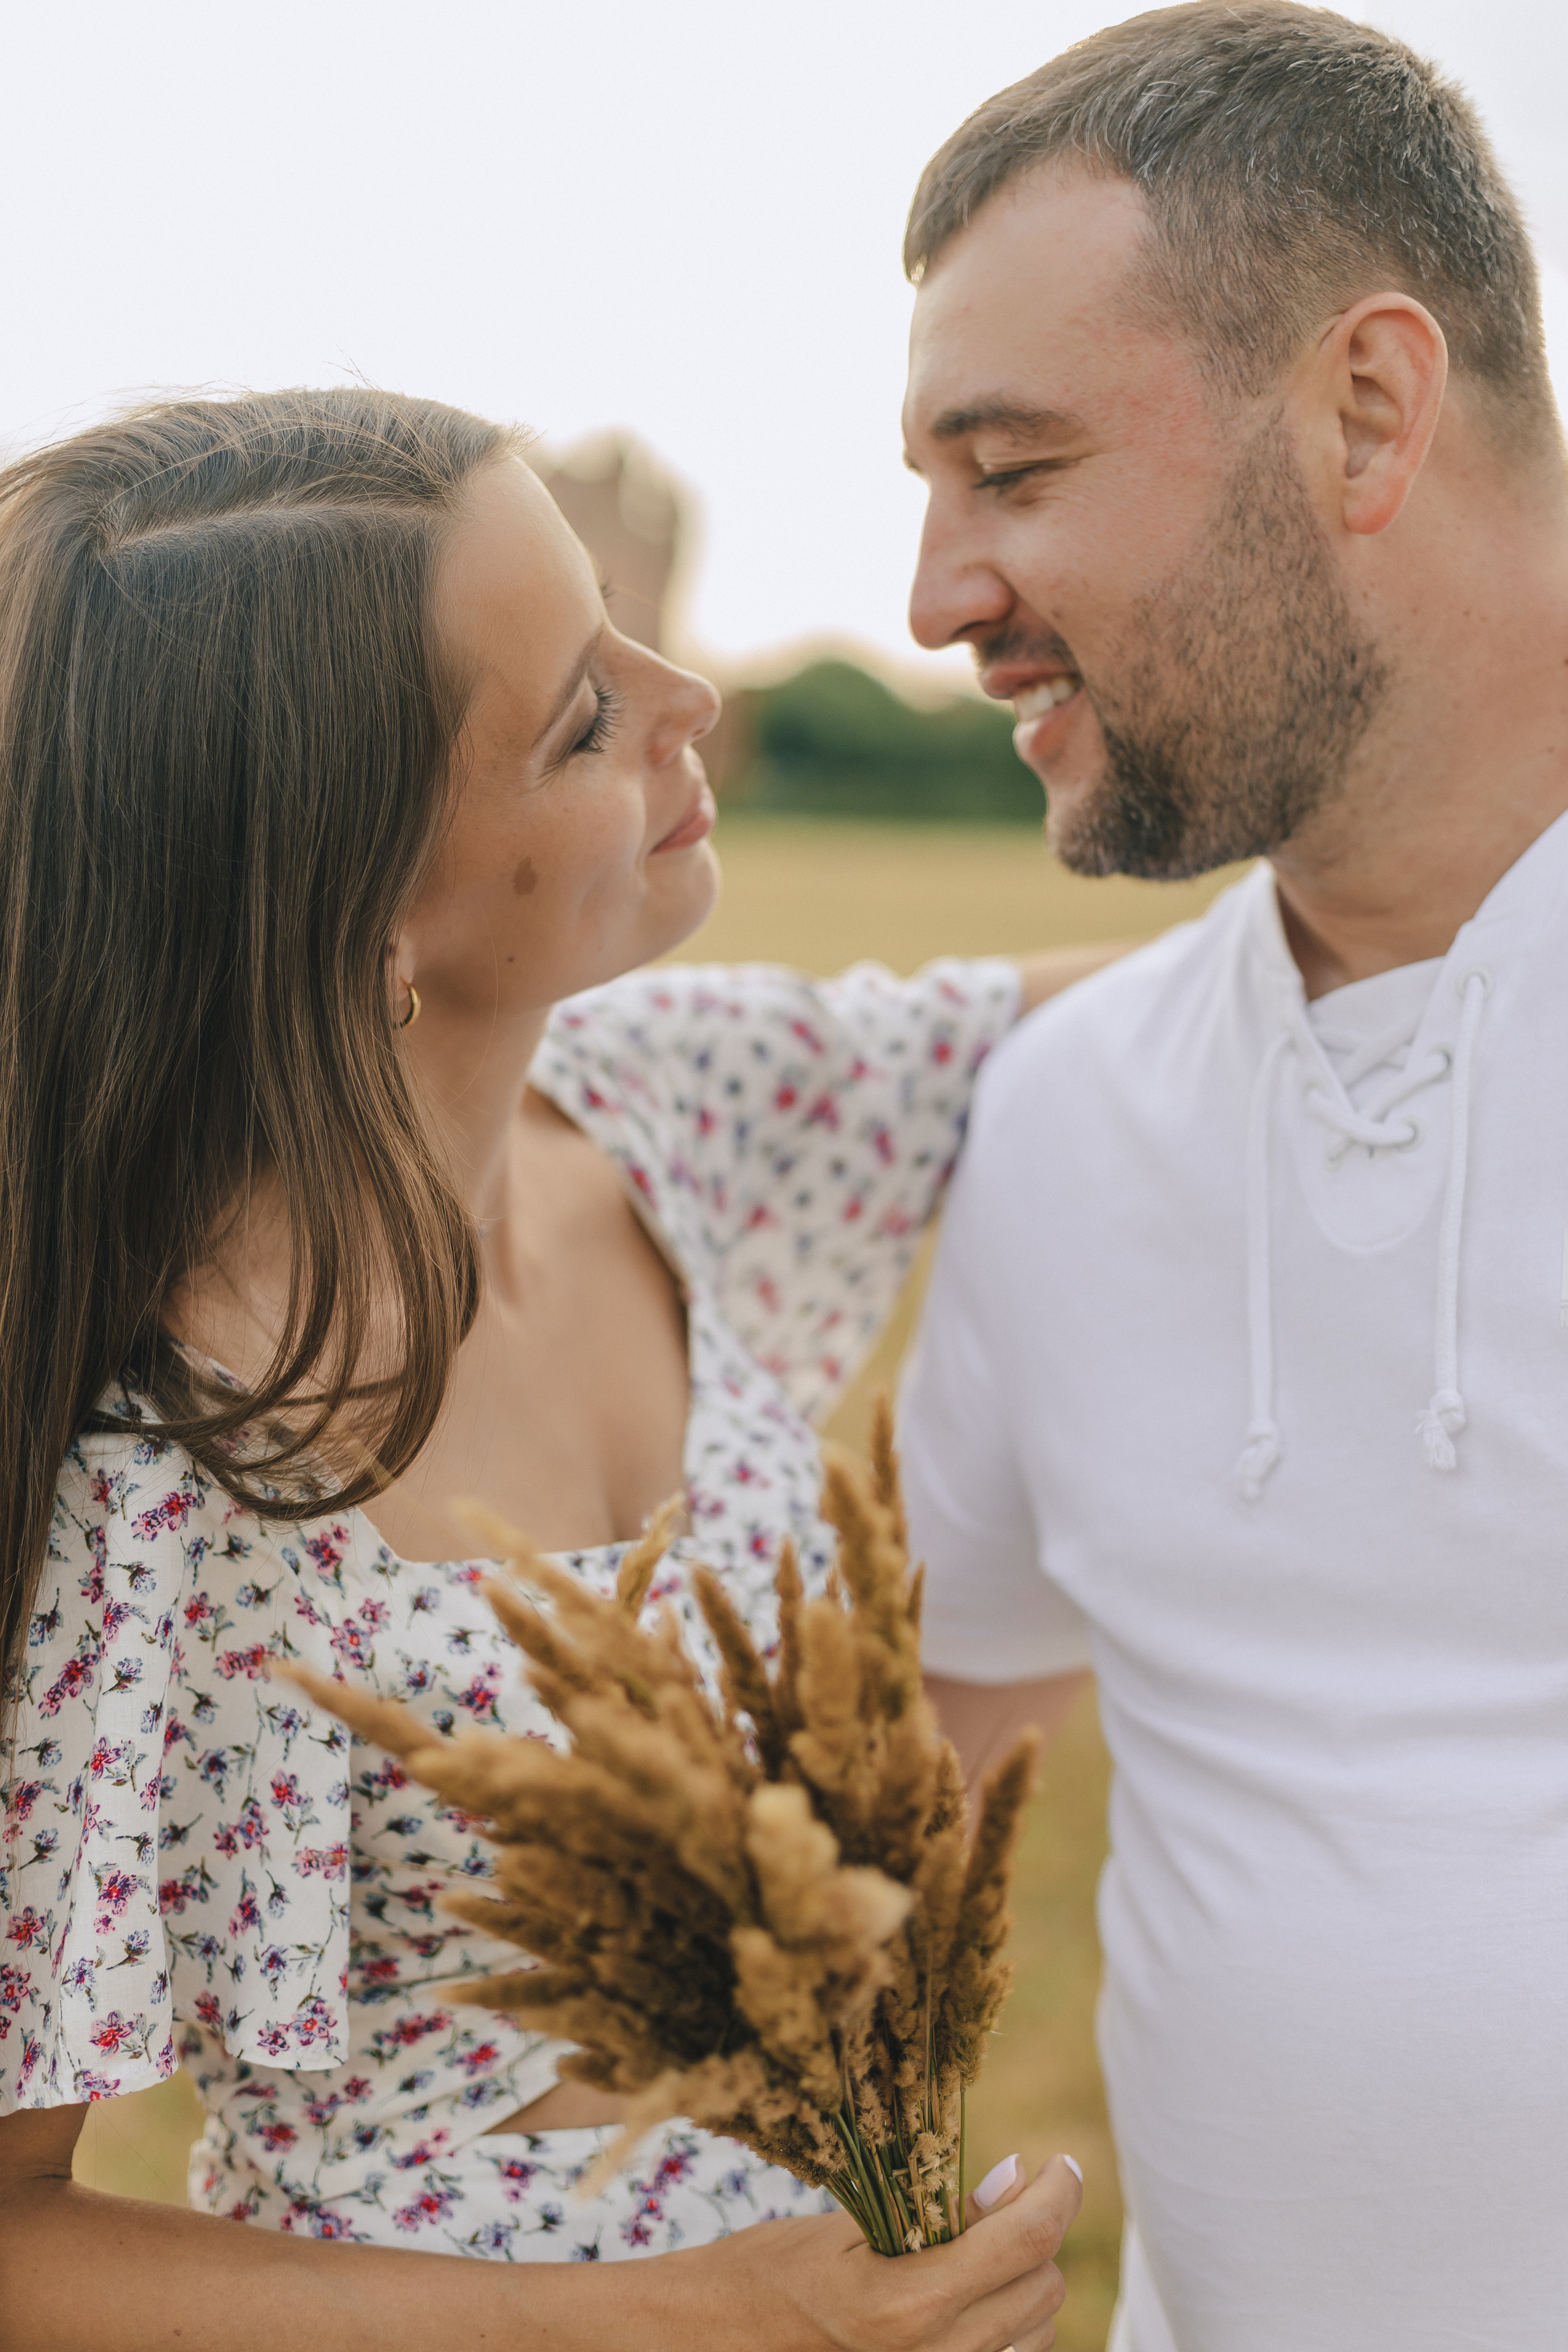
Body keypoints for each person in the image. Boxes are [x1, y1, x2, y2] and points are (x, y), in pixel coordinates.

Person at [0, 390, 1088, 2348]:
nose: (692, 700)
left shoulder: (665, 1114)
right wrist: (695, 2324)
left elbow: (1210, 1005)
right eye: (587, 710)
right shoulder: (148, 1474)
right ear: (358, 903)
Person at [897, 7, 1568, 2348]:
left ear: (1367, 413)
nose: (937, 591)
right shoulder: (1065, 1126)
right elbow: (901, 1842)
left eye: (1014, 466)